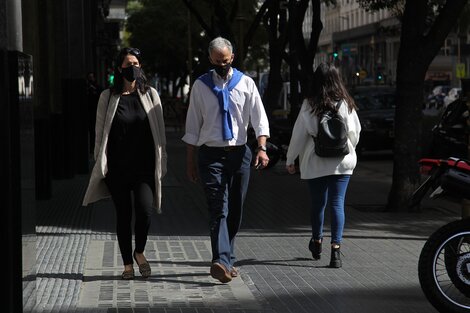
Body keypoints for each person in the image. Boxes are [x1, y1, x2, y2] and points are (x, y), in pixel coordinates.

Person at [182, 37, 270, 283]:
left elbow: (259, 119)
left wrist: (262, 148)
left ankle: (227, 258)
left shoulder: (246, 84)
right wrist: (190, 161)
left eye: (226, 60)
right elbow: (192, 127)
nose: (222, 64)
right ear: (210, 59)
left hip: (240, 154)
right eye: (217, 61)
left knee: (235, 210)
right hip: (211, 156)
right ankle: (220, 260)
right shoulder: (200, 86)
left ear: (232, 57)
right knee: (218, 207)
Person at [82, 47, 167, 280]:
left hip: (144, 168)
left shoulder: (151, 95)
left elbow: (160, 132)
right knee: (123, 215)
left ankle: (139, 251)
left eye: (137, 63)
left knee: (145, 211)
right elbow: (99, 132)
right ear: (120, 69)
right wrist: (99, 161)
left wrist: (163, 159)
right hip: (118, 169)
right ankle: (127, 264)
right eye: (129, 64)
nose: (133, 68)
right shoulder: (107, 97)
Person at [285, 62, 361, 268]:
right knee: (338, 204)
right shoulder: (346, 103)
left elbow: (299, 134)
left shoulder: (309, 104)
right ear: (337, 79)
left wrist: (290, 159)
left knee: (318, 204)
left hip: (315, 160)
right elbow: (355, 133)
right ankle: (336, 251)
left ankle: (317, 241)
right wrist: (346, 147)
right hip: (342, 161)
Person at [86, 71, 102, 153]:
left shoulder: (97, 87)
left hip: (95, 111)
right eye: (89, 77)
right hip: (89, 112)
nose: (91, 79)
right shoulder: (87, 87)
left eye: (92, 77)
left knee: (94, 131)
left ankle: (94, 148)